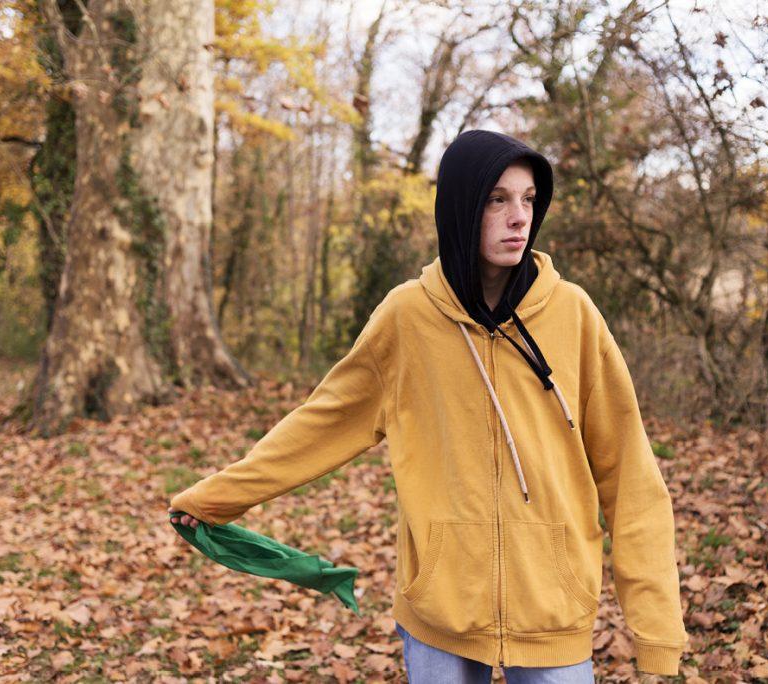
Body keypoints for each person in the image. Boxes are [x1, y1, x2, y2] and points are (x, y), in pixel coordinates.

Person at [169, 129, 689, 682]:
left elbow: (630, 474)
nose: (520, 218)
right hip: (439, 612)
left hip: (553, 610)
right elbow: (320, 424)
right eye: (497, 199)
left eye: (529, 200)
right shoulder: (408, 317)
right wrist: (215, 499)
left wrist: (656, 631)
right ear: (461, 207)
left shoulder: (574, 315)